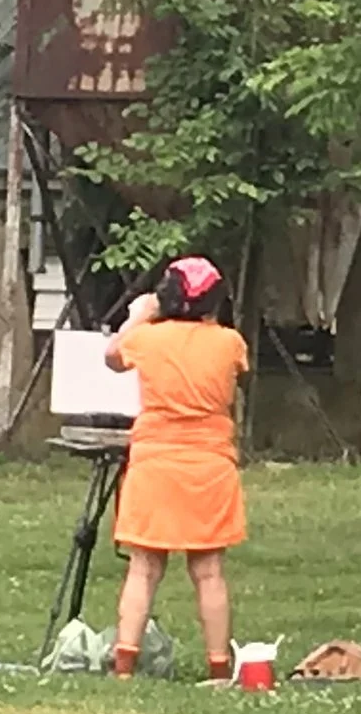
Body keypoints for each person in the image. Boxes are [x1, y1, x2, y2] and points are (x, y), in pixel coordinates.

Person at [104, 256, 251, 681]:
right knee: (208, 572)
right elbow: (239, 373)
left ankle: (125, 666)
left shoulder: (146, 340)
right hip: (210, 465)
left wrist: (138, 316)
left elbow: (113, 356)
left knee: (144, 567)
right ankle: (219, 669)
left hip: (155, 465)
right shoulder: (230, 343)